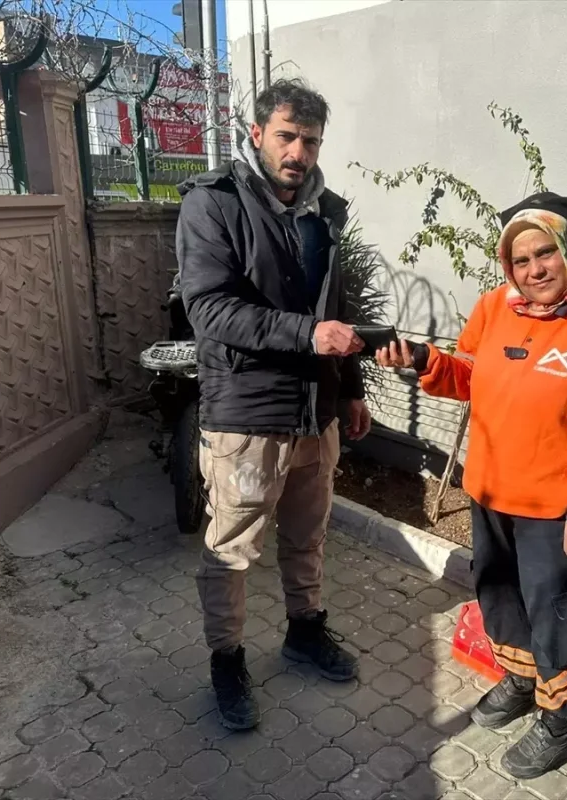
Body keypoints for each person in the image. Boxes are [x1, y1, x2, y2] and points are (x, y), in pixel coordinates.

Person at [376, 192, 567, 778]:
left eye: (545, 253)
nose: (533, 270)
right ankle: (522, 680)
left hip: (558, 510)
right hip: (490, 492)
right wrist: (423, 359)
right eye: (520, 260)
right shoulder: (495, 307)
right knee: (499, 594)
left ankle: (561, 720)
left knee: (558, 613)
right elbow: (469, 377)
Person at [176, 78, 371, 731]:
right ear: (257, 134)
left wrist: (352, 390)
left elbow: (336, 310)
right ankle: (226, 660)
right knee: (232, 547)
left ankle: (304, 630)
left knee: (308, 535)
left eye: (310, 140)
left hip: (316, 410)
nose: (298, 151)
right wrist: (308, 336)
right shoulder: (215, 205)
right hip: (247, 412)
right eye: (286, 136)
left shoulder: (326, 212)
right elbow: (210, 310)